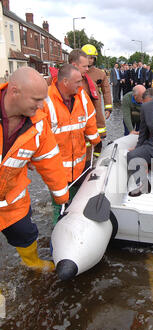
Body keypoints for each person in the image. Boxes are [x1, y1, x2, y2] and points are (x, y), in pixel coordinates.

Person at [0, 67, 69, 272]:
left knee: (26, 233)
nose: (42, 106)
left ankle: (31, 262)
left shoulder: (38, 123)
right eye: (36, 100)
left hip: (12, 198)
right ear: (14, 92)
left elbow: (50, 161)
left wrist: (62, 196)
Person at [43, 64, 100, 224]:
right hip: (56, 166)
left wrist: (96, 141)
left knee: (75, 198)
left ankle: (73, 222)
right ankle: (57, 228)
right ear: (65, 82)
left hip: (78, 163)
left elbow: (90, 121)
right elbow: (38, 133)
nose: (81, 85)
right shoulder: (46, 100)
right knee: (58, 203)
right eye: (77, 82)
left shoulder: (81, 96)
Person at [68, 49, 103, 158]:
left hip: (82, 139)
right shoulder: (53, 84)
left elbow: (94, 110)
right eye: (85, 66)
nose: (87, 69)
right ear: (74, 65)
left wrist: (99, 135)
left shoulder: (88, 85)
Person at [81, 44, 113, 141]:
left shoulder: (100, 74)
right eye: (87, 58)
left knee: (98, 129)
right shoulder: (77, 71)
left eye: (92, 58)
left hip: (95, 104)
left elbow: (106, 91)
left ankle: (97, 151)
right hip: (81, 106)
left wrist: (108, 107)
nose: (90, 60)